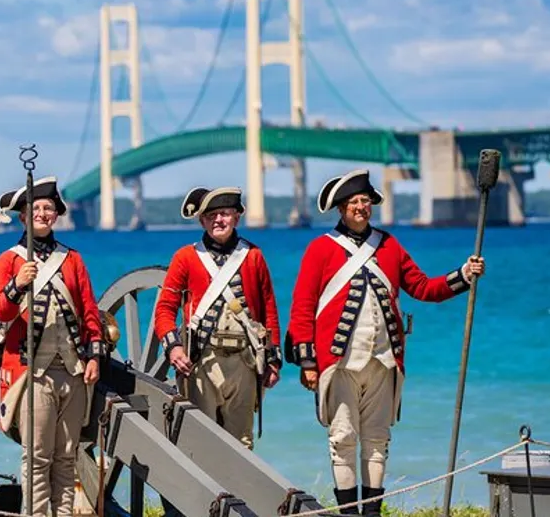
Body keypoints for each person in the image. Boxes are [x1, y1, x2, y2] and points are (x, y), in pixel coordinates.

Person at [285, 169, 485, 516]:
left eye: (365, 201)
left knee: (377, 440)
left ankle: (373, 512)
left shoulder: (389, 245)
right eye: (353, 203)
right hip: (338, 363)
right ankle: (349, 512)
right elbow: (302, 307)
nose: (361, 208)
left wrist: (463, 275)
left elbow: (423, 287)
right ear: (341, 209)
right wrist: (307, 362)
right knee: (342, 439)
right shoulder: (320, 249)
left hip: (383, 361)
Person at [0, 175, 104, 517]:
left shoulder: (72, 260)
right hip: (31, 372)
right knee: (37, 457)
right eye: (35, 208)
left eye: (48, 208)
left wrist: (94, 353)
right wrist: (17, 285)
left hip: (71, 370)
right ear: (23, 217)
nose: (42, 213)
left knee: (66, 457)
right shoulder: (8, 261)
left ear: (56, 215)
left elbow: (89, 312)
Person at [153, 186, 282, 451]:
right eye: (211, 215)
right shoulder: (185, 257)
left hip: (244, 364)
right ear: (201, 220)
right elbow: (165, 309)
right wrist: (173, 347)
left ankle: (239, 493)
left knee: (241, 445)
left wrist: (273, 360)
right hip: (203, 362)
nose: (218, 220)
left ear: (236, 217)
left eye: (224, 213)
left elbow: (269, 310)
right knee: (201, 441)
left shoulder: (254, 256)